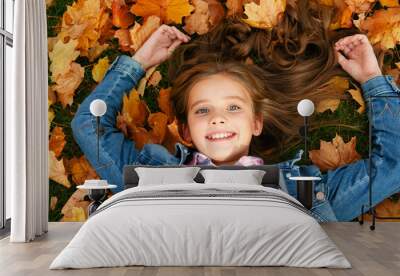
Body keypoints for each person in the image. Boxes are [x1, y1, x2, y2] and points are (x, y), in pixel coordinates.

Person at [71, 17, 400, 222]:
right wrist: (140, 61)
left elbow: (393, 165)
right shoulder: (151, 176)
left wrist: (371, 77)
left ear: (256, 123)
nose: (217, 119)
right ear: (185, 130)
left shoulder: (304, 192)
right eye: (203, 110)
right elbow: (88, 125)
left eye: (232, 108)